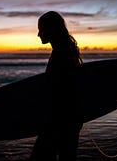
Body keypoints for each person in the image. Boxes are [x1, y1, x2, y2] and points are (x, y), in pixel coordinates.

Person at [30, 11, 83, 161]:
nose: (38, 34)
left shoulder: (61, 54)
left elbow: (61, 91)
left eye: (41, 29)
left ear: (52, 29)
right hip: (70, 119)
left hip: (60, 120)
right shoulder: (64, 51)